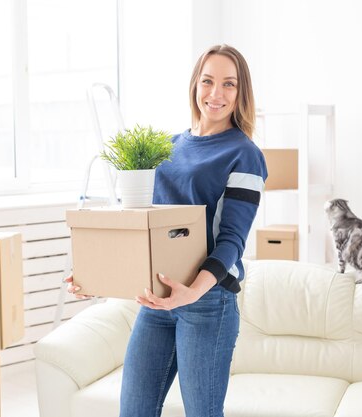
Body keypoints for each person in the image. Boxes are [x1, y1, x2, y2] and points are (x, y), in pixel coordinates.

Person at [66, 44, 267, 417]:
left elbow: (231, 242)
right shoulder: (167, 147)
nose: (216, 94)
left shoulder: (245, 154)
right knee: (134, 411)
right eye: (208, 81)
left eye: (229, 84)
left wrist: (191, 292)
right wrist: (95, 275)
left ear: (241, 93)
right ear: (195, 85)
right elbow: (144, 225)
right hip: (157, 300)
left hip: (208, 302)